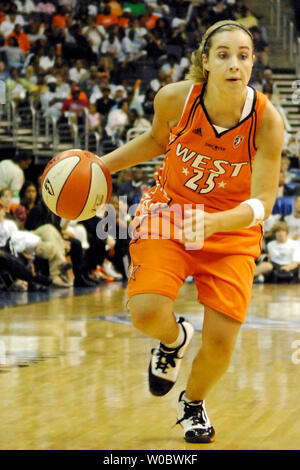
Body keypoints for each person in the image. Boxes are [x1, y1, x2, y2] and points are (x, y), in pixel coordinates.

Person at [99, 20, 284, 443]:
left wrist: (218, 222)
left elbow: (263, 204)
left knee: (221, 343)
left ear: (253, 62)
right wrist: (102, 165)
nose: (234, 64)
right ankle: (174, 339)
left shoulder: (267, 122)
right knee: (145, 311)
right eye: (223, 55)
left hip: (231, 229)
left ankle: (193, 403)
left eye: (243, 55)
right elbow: (154, 141)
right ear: (205, 61)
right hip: (169, 211)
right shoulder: (175, 99)